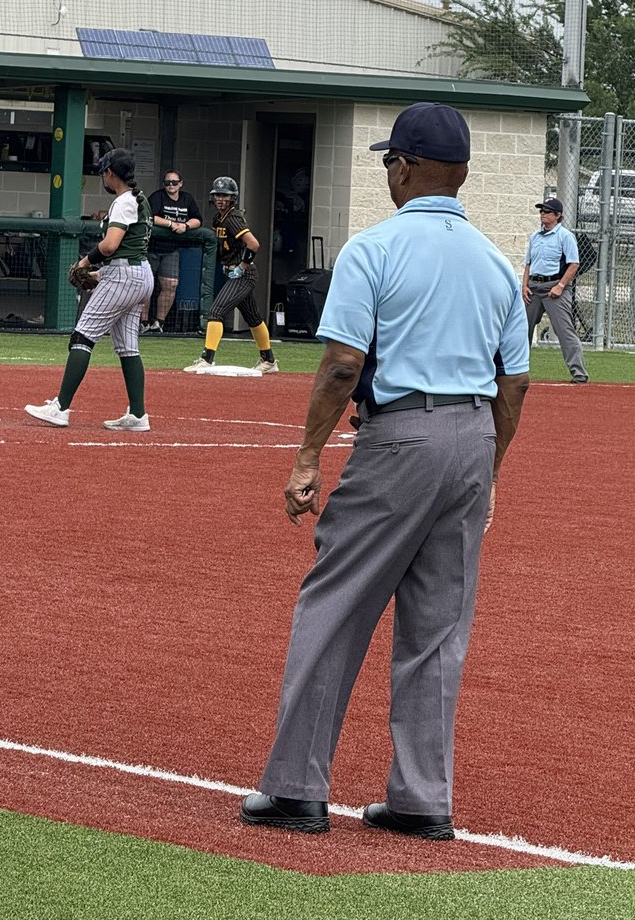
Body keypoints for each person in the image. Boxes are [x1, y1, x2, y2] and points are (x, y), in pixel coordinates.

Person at [239, 102, 529, 840]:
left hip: (399, 436)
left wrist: (306, 459)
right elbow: (515, 381)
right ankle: (422, 798)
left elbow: (342, 365)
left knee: (335, 604)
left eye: (389, 162)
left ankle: (298, 786)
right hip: (471, 436)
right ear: (460, 172)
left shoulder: (374, 249)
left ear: (405, 167)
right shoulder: (498, 262)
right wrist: (488, 467)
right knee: (438, 629)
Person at [25, 148, 154, 431]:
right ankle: (138, 415)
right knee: (128, 347)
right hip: (139, 273)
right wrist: (99, 273)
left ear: (111, 173)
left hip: (125, 275)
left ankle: (60, 407)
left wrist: (84, 262)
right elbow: (126, 249)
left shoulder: (122, 202)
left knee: (82, 336)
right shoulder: (140, 198)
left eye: (104, 173)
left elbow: (110, 246)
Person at [183, 176, 278, 374]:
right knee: (253, 317)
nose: (220, 198)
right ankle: (268, 360)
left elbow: (254, 244)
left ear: (232, 198)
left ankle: (206, 359)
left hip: (243, 273)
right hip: (233, 271)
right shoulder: (219, 218)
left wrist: (242, 266)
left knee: (216, 311)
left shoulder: (233, 218)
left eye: (224, 195)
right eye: (217, 194)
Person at [522, 198, 588, 384]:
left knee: (564, 330)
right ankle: (518, 372)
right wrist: (524, 286)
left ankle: (579, 373)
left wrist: (560, 286)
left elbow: (574, 264)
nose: (543, 214)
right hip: (533, 288)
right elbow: (528, 264)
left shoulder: (565, 236)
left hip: (554, 288)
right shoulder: (535, 237)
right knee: (521, 329)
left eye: (547, 211)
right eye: (542, 211)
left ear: (557, 216)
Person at [141, 170, 203, 334]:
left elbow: (198, 219)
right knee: (146, 285)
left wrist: (186, 225)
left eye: (174, 182)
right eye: (168, 182)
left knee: (171, 284)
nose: (171, 185)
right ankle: (143, 322)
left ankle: (158, 323)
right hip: (151, 248)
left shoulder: (187, 199)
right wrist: (170, 224)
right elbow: (150, 216)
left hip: (172, 249)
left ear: (181, 183)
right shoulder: (157, 197)